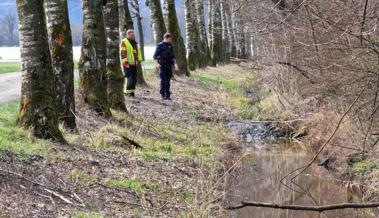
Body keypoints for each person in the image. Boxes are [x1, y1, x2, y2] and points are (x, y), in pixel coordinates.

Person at [120, 29, 143, 98]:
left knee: (134, 79)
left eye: (133, 35)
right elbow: (123, 53)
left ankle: (132, 92)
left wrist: (139, 60)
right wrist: (125, 62)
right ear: (127, 35)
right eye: (131, 35)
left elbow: (136, 52)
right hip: (127, 64)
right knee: (129, 78)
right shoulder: (124, 42)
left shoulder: (134, 42)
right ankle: (127, 93)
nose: (133, 36)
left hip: (134, 64)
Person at [153, 33, 175, 101]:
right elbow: (155, 56)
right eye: (170, 39)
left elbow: (173, 56)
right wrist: (157, 64)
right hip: (162, 65)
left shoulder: (170, 46)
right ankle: (163, 94)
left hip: (169, 65)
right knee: (163, 80)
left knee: (168, 81)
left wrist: (174, 63)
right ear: (166, 38)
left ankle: (168, 95)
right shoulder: (160, 45)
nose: (171, 40)